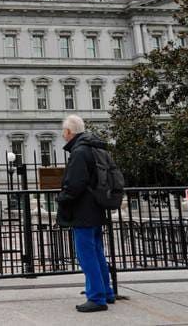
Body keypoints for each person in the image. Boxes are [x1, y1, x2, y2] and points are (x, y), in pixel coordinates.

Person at [56, 114, 115, 313]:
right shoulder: (94, 147)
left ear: (69, 132)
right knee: (97, 251)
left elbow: (75, 183)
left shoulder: (80, 151)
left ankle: (97, 297)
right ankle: (105, 291)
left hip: (83, 210)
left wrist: (62, 198)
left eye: (64, 132)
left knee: (86, 254)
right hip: (97, 207)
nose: (63, 135)